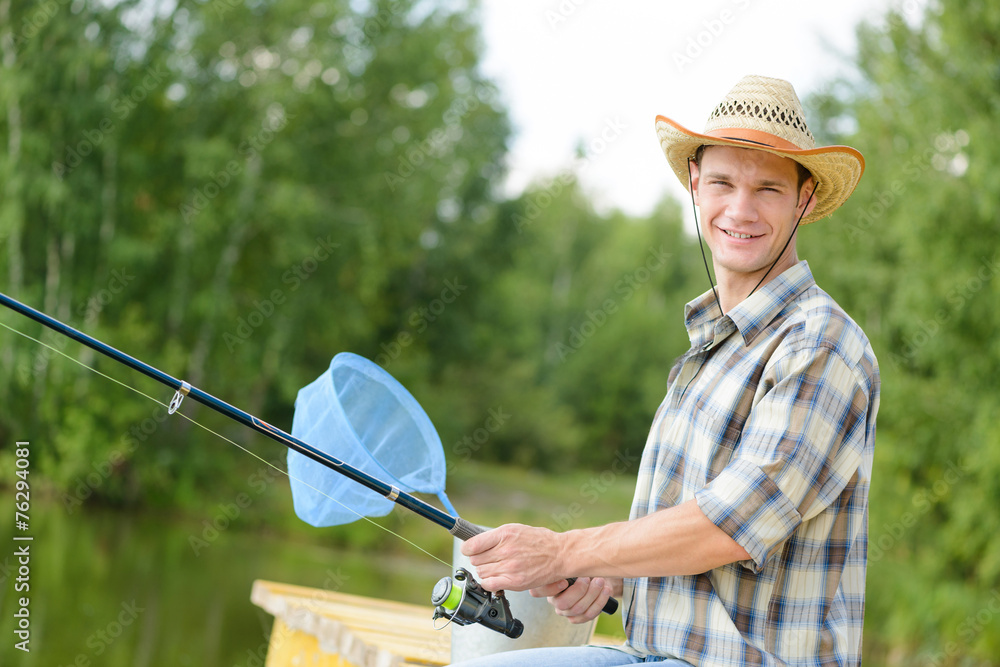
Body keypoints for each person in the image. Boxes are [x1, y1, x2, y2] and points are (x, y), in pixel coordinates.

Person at [451, 75, 880, 666]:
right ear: (696, 186)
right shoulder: (713, 345)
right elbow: (693, 547)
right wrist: (610, 575)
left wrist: (565, 551)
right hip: (655, 653)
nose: (740, 209)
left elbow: (725, 528)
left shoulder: (820, 346)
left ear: (804, 200)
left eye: (769, 189)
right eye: (723, 183)